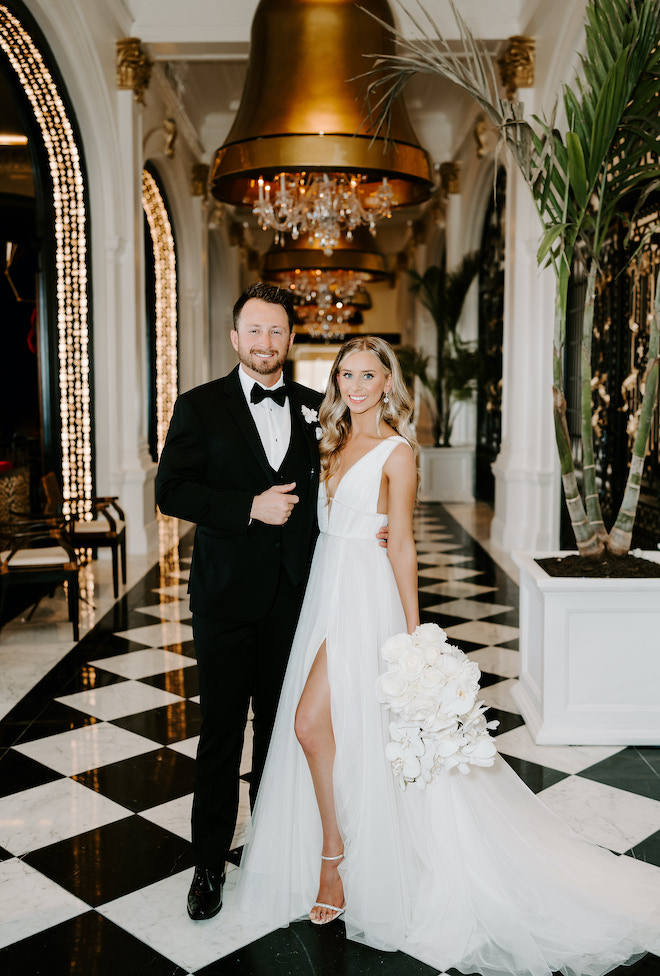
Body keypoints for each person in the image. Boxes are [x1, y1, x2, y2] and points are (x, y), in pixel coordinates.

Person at [237, 336, 660, 976]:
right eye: (346, 374)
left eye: (368, 375)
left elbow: (402, 544)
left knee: (311, 722)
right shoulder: (325, 443)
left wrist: (413, 638)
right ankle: (338, 847)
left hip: (368, 602)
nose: (355, 385)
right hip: (326, 595)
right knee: (325, 727)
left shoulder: (399, 453)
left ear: (388, 384)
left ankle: (336, 858)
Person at [156, 282, 323, 921]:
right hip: (225, 599)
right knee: (223, 734)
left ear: (289, 338)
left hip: (293, 598)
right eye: (254, 331)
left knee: (283, 733)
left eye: (276, 331)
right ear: (235, 338)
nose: (265, 342)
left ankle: (273, 851)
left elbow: (333, 490)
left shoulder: (314, 406)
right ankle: (207, 867)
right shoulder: (199, 406)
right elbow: (171, 491)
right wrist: (246, 509)